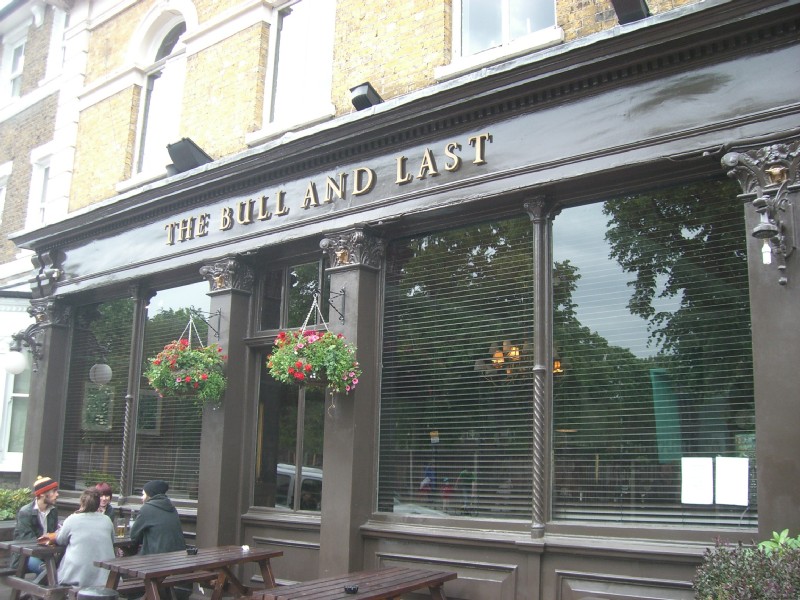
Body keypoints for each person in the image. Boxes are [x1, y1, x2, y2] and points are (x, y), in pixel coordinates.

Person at [39, 488, 115, 587]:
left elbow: (61, 540)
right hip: (106, 579)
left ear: (82, 503)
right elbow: (112, 541)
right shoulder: (107, 520)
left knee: (53, 574)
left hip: (77, 578)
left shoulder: (72, 519)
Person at [129, 480, 188, 600]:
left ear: (150, 494)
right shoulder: (172, 508)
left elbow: (133, 536)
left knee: (125, 564)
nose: (141, 497)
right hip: (178, 559)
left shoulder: (147, 508)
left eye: (143, 494)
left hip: (156, 560)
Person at [12, 475, 59, 575]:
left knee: (60, 569)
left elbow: (54, 533)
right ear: (42, 494)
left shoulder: (53, 510)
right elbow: (27, 539)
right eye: (54, 491)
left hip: (46, 553)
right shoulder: (25, 512)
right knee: (48, 572)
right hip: (26, 556)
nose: (57, 494)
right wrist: (48, 543)